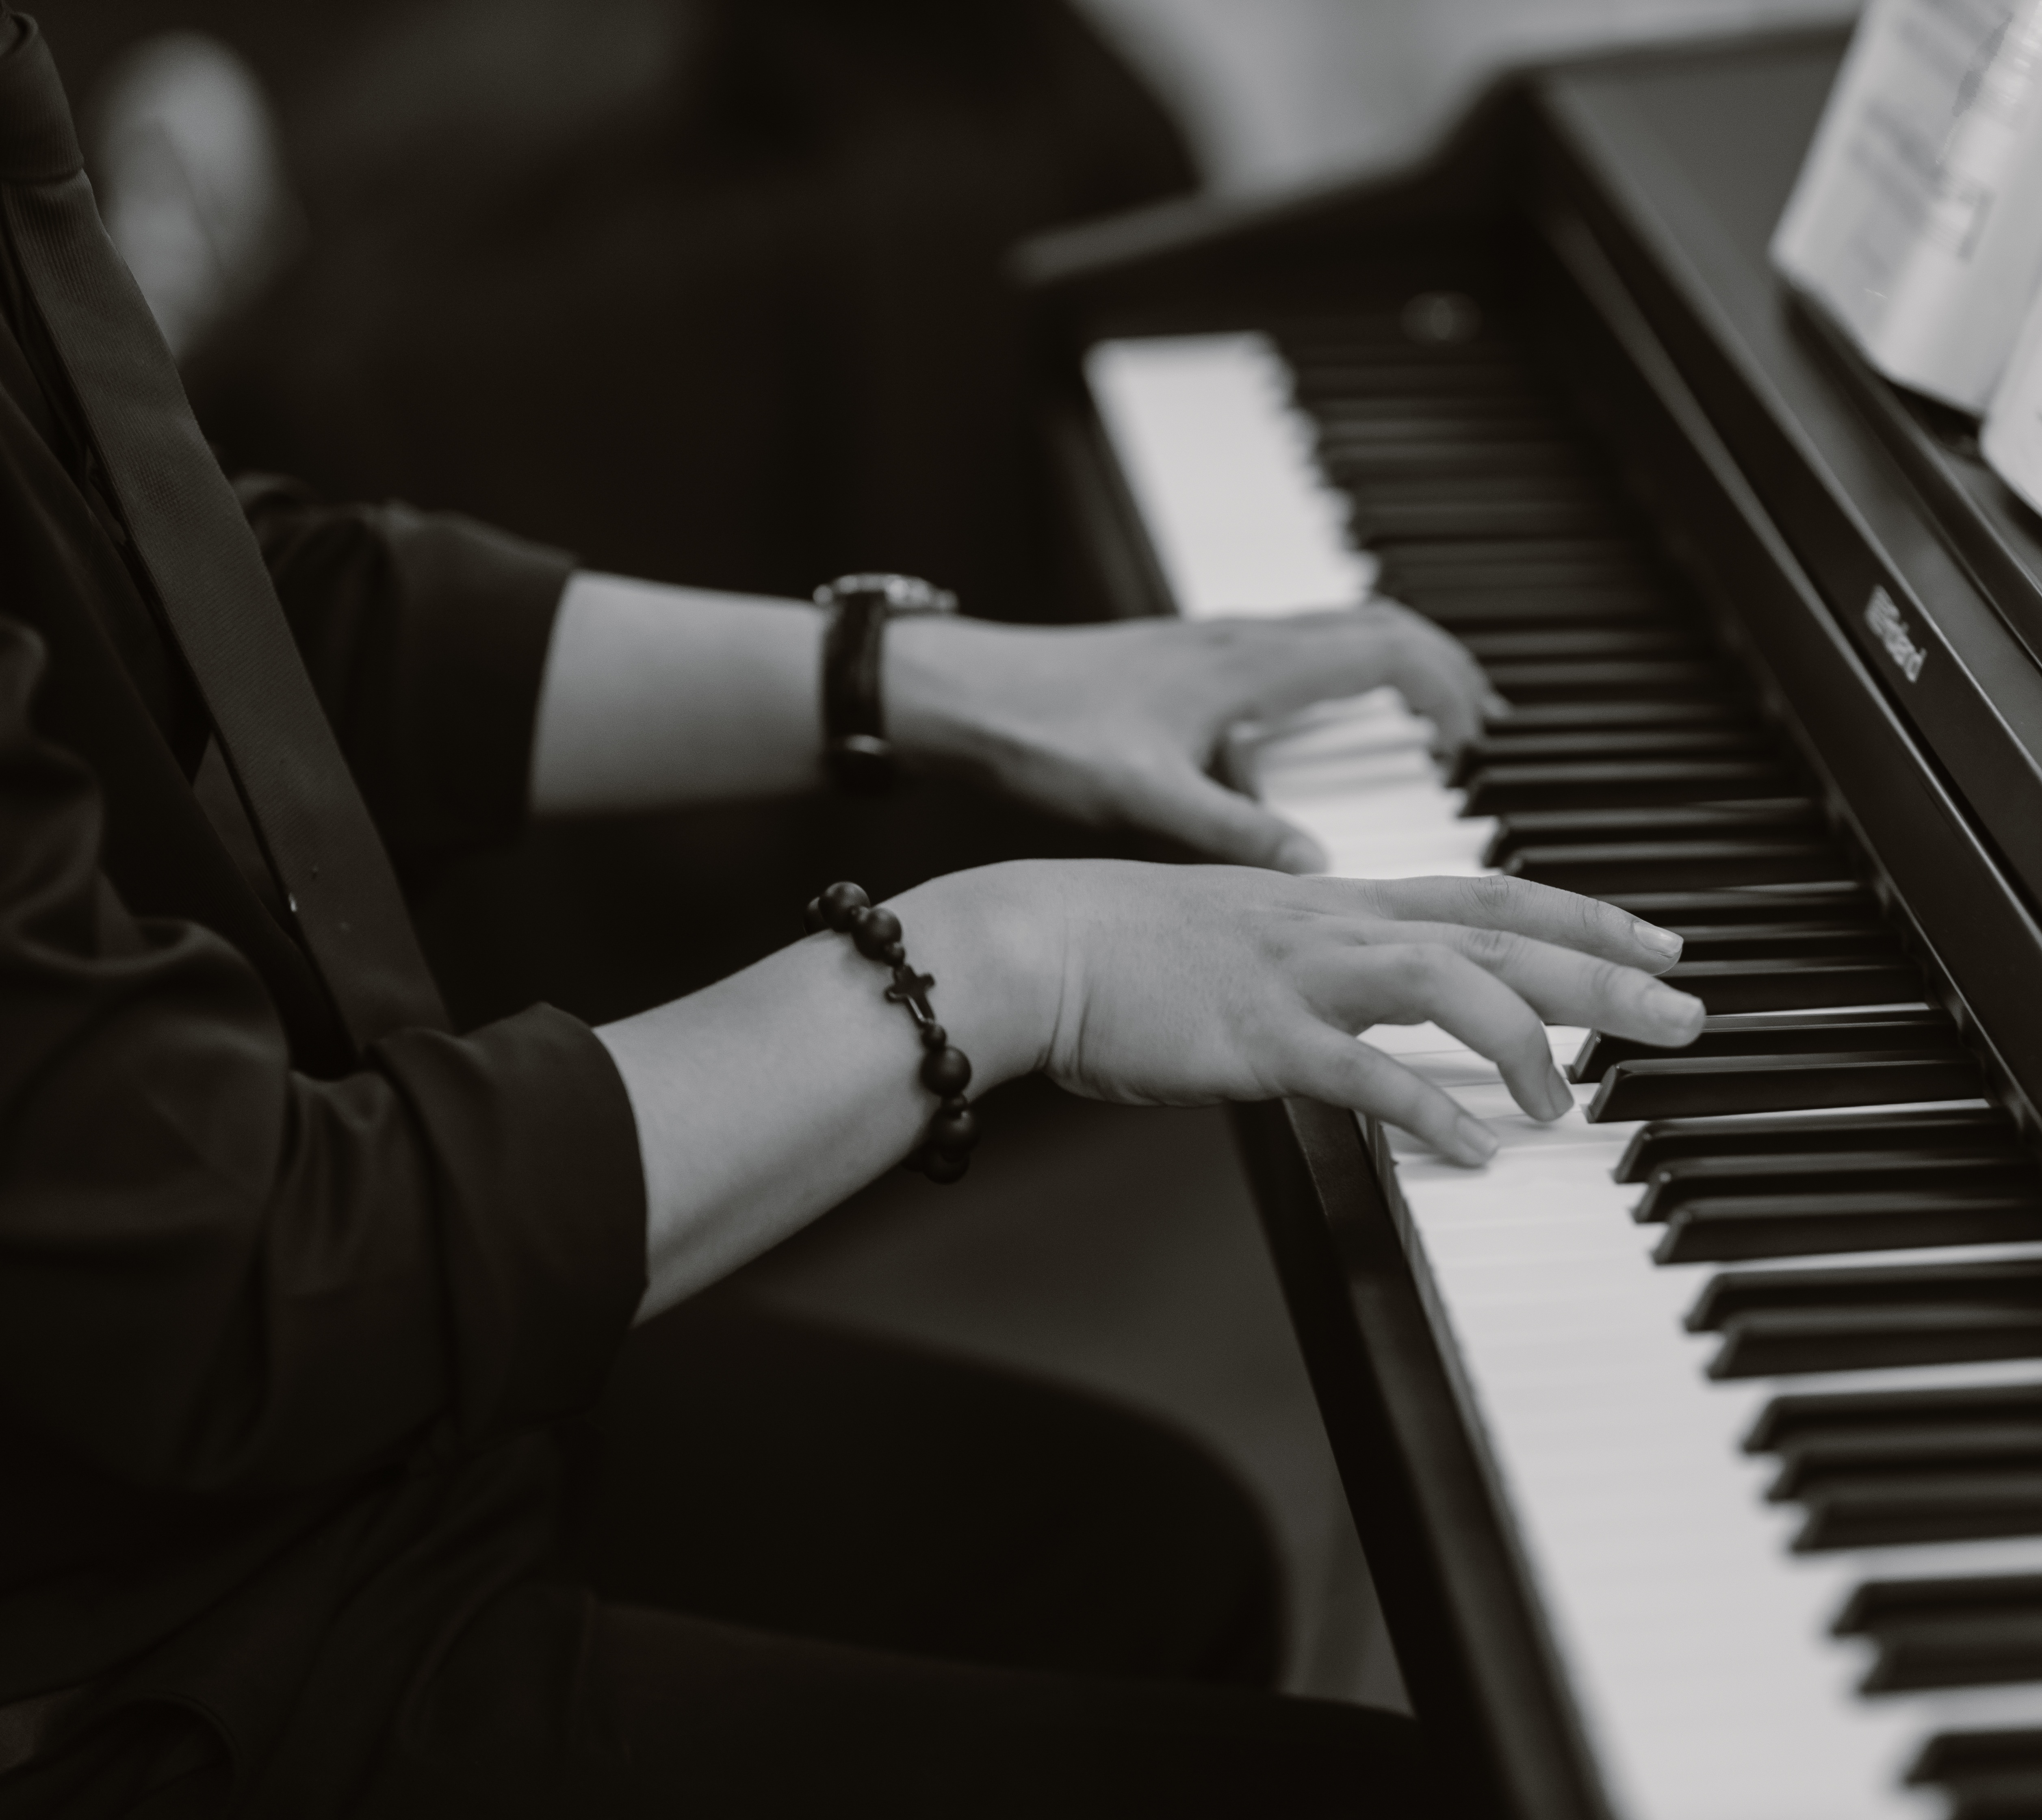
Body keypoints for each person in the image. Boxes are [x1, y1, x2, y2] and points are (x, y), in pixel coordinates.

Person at [0, 8, 1704, 1818]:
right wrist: (1016, 961)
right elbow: (246, 1270)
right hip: (126, 1642)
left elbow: (219, 614)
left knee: (1151, 1555)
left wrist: (921, 674)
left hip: (235, 1434)